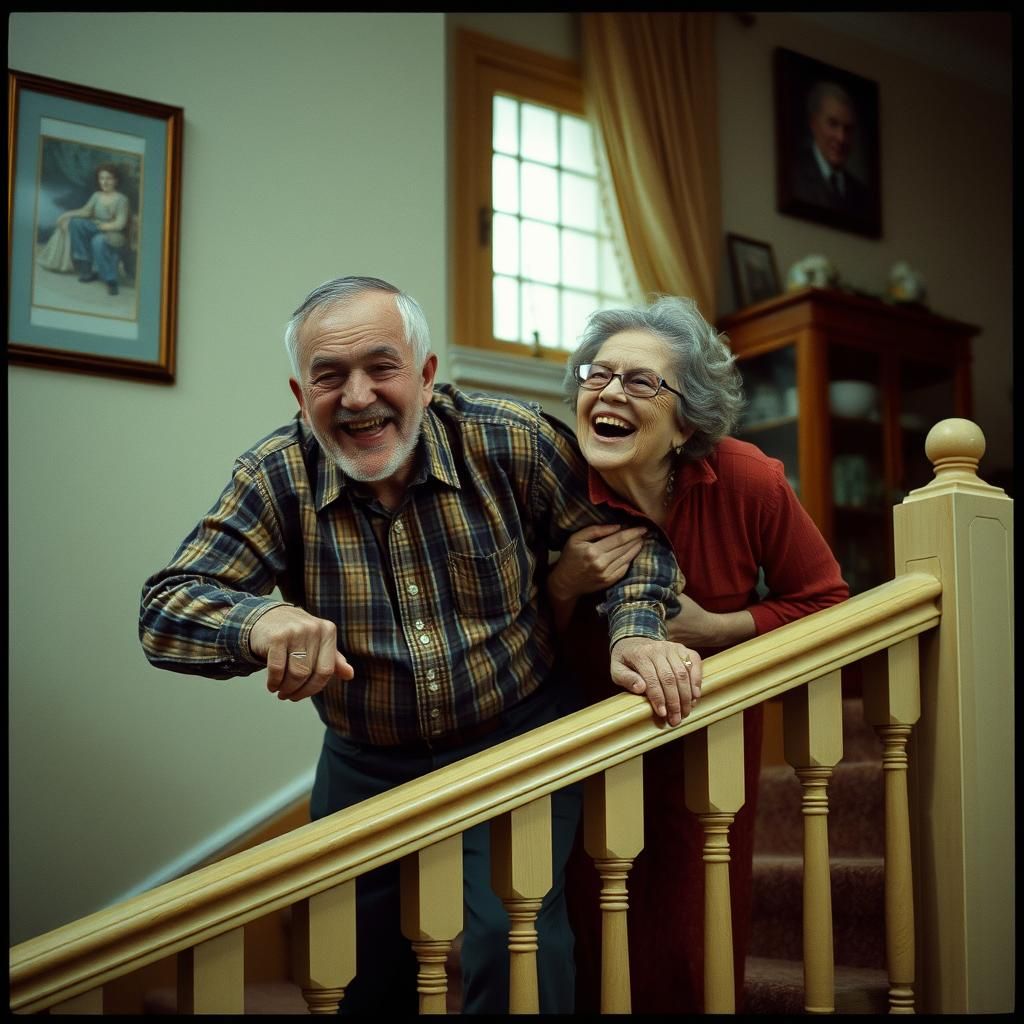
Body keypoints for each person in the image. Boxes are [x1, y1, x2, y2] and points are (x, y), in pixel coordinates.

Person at [138, 275, 702, 1015]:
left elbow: (641, 551)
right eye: (329, 377)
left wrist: (634, 631)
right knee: (357, 969)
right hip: (363, 759)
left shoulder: (510, 438)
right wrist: (256, 623)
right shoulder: (275, 474)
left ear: (428, 375)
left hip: (515, 737)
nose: (359, 396)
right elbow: (163, 610)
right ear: (299, 395)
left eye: (383, 367)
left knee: (516, 943)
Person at [547, 295, 849, 1014]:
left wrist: (720, 629)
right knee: (582, 946)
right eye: (598, 374)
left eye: (642, 381)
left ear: (686, 423)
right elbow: (509, 641)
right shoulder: (546, 483)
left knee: (691, 943)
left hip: (701, 746)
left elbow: (830, 603)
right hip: (583, 741)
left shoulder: (749, 480)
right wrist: (564, 583)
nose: (611, 391)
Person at [789, 80, 870, 219]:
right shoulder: (793, 175)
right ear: (813, 124)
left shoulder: (861, 193)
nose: (841, 138)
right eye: (833, 124)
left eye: (848, 129)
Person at [51, 162, 131, 295]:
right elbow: (85, 212)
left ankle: (110, 280)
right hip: (98, 227)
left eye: (109, 178)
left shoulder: (121, 199)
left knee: (98, 240)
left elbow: (120, 223)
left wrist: (104, 226)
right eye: (102, 178)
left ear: (116, 180)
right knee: (76, 223)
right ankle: (86, 268)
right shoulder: (97, 195)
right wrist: (66, 215)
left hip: (114, 233)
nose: (104, 182)